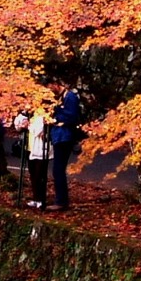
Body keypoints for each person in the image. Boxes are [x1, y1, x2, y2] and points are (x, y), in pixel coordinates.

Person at [48, 79, 81, 211]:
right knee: (57, 169)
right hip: (58, 135)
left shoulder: (70, 97)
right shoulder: (59, 98)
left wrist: (57, 116)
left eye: (50, 86)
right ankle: (60, 199)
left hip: (65, 136)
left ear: (56, 84)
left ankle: (61, 201)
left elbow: (72, 116)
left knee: (58, 169)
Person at [13, 108, 51, 209]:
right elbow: (17, 125)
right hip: (30, 148)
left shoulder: (42, 112)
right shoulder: (29, 114)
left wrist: (28, 125)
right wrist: (23, 116)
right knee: (33, 174)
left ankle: (41, 199)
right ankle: (35, 198)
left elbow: (39, 130)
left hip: (40, 148)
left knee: (40, 174)